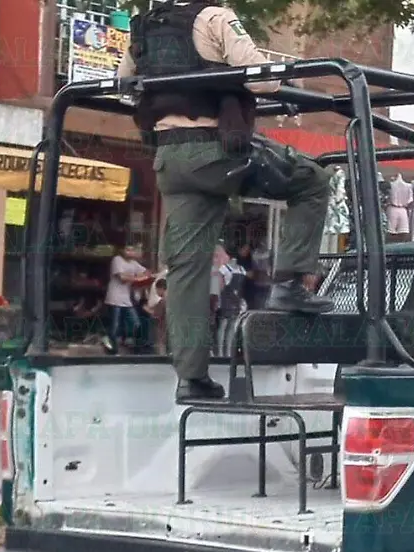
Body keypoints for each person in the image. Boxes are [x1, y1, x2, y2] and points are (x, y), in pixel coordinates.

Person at [119, 0, 333, 399]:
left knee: (186, 271)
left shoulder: (143, 30)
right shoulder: (216, 17)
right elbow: (262, 79)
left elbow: (124, 90)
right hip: (216, 152)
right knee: (313, 180)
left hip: (170, 159)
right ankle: (289, 283)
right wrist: (289, 85)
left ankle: (191, 379)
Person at [102, 245, 150, 355]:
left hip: (126, 300)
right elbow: (122, 278)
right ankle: (112, 350)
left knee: (136, 323)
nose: (130, 252)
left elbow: (146, 273)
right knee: (115, 326)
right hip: (114, 299)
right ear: (123, 250)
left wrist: (139, 276)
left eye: (132, 249)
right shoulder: (117, 260)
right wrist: (137, 277)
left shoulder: (133, 263)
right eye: (128, 249)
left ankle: (135, 347)